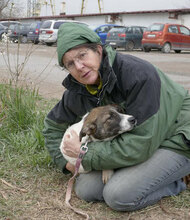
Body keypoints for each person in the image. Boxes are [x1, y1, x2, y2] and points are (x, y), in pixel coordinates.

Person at [43, 22, 190, 212]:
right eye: (70, 63)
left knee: (118, 195)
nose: (79, 66)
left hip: (176, 137)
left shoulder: (138, 75)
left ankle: (179, 180)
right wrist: (69, 164)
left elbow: (141, 143)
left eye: (82, 55)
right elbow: (52, 128)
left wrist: (85, 155)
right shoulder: (79, 88)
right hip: (144, 142)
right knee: (86, 189)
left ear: (98, 49)